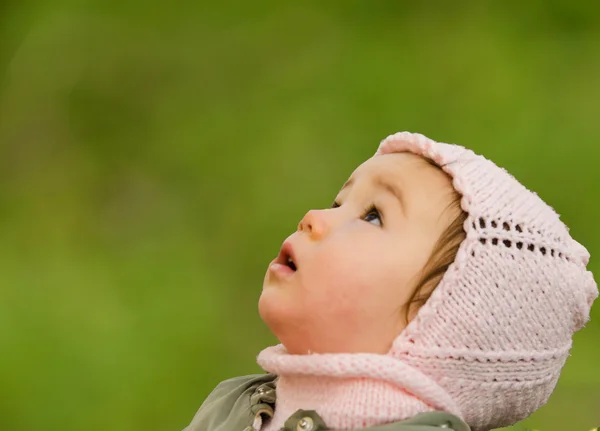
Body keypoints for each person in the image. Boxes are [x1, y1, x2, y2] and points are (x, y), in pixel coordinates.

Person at [184, 132, 598, 431]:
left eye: (372, 215)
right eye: (338, 202)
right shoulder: (233, 405)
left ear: (439, 325)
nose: (314, 217)